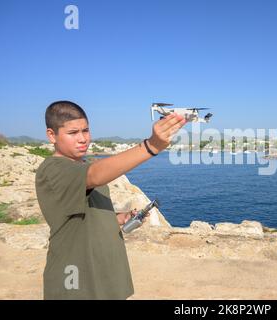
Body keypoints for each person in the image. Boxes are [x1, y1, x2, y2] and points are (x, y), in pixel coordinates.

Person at [35, 100, 186, 299]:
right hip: (74, 276)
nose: (82, 139)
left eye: (85, 131)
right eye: (73, 133)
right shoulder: (53, 169)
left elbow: (84, 213)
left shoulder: (84, 165)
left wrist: (120, 218)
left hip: (104, 275)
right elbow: (94, 175)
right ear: (51, 135)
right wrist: (151, 146)